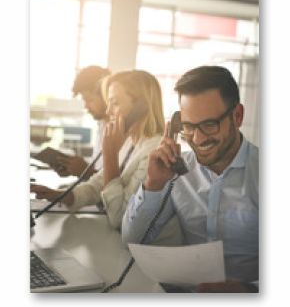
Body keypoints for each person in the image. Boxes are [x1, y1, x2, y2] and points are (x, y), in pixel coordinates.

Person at [122, 66, 259, 293]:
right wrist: (153, 184)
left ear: (237, 116)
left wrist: (249, 290)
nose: (197, 138)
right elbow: (132, 239)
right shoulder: (176, 171)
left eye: (209, 125)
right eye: (188, 126)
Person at [31, 70, 167, 230]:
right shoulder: (130, 141)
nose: (108, 111)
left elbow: (120, 217)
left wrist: (110, 154)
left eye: (115, 103)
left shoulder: (155, 150)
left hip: (146, 249)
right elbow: (97, 185)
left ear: (141, 106)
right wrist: (63, 196)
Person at [52, 65, 110, 179]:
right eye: (84, 100)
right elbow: (99, 167)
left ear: (106, 95)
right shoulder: (102, 123)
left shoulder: (123, 132)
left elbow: (116, 186)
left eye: (90, 100)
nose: (86, 106)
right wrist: (74, 168)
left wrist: (85, 172)